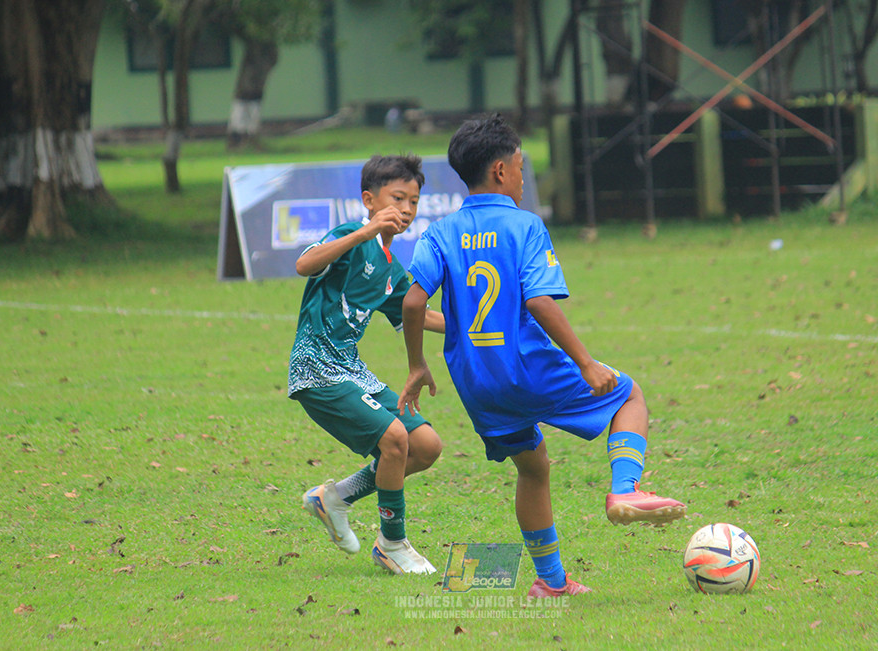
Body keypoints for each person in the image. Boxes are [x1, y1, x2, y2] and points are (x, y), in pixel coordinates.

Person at [398, 114, 686, 597]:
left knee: (532, 467)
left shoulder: (441, 232)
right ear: (500, 171)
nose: (523, 176)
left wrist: (416, 364)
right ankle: (627, 489)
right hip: (525, 366)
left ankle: (551, 583)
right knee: (629, 395)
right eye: (521, 167)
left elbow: (412, 301)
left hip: (476, 382)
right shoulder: (524, 225)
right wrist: (586, 362)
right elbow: (537, 300)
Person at [290, 154, 445, 575]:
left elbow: (418, 314)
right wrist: (366, 231)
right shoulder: (350, 236)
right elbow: (305, 264)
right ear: (369, 199)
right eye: (398, 198)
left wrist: (482, 325)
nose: (408, 210)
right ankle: (392, 545)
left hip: (351, 369)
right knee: (395, 439)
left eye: (414, 201)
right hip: (316, 368)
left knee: (426, 445)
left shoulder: (390, 267)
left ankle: (334, 498)